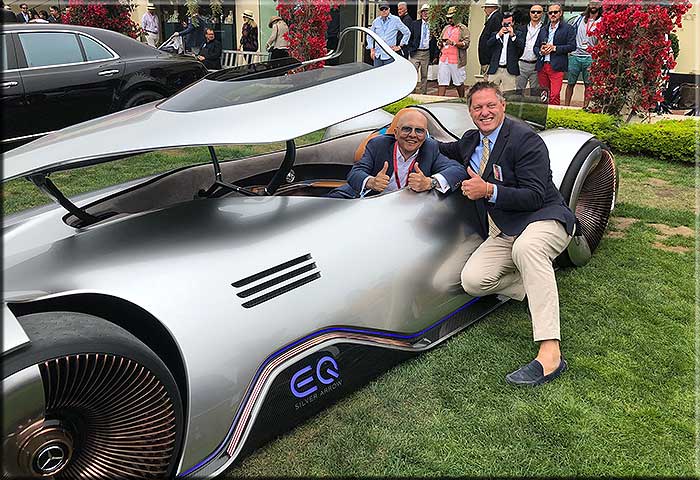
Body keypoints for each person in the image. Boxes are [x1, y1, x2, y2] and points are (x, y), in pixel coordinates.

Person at [438, 81, 575, 386]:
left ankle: (550, 354)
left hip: (544, 219)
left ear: (503, 106)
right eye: (477, 107)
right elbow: (437, 146)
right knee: (473, 280)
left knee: (526, 250)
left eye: (490, 105)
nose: (484, 112)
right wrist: (395, 134)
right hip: (507, 231)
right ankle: (535, 288)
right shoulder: (470, 141)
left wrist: (489, 190)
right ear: (470, 112)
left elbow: (536, 195)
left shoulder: (526, 141)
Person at [328, 109, 466, 199]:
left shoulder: (430, 148)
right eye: (407, 129)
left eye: (419, 131)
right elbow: (355, 172)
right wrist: (372, 182)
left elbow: (458, 170)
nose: (412, 135)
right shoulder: (378, 145)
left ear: (425, 135)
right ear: (396, 132)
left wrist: (430, 182)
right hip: (369, 204)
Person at [534, 3, 576, 105]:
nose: (553, 14)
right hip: (543, 65)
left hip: (557, 66)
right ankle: (543, 118)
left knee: (554, 95)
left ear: (560, 13)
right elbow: (535, 47)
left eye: (555, 12)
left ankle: (553, 118)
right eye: (550, 13)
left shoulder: (568, 28)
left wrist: (554, 48)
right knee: (544, 95)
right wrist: (541, 51)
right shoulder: (543, 29)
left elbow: (572, 46)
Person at [564, 1, 602, 108]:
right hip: (575, 55)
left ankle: (585, 108)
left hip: (590, 57)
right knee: (570, 83)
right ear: (588, 5)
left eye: (596, 4)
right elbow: (570, 32)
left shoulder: (601, 21)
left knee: (588, 85)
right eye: (592, 3)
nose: (593, 6)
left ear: (600, 6)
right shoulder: (579, 18)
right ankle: (566, 107)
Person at [485, 11, 524, 92]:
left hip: (509, 70)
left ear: (513, 23)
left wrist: (513, 35)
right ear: (502, 22)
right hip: (495, 69)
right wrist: (498, 35)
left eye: (509, 23)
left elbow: (521, 46)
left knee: (509, 94)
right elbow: (488, 44)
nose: (506, 25)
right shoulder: (495, 34)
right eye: (505, 23)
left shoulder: (518, 34)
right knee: (490, 92)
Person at [437, 6, 470, 98]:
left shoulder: (463, 29)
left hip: (456, 60)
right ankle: (438, 102)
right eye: (448, 18)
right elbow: (440, 40)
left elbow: (466, 44)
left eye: (451, 17)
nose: (449, 20)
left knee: (458, 81)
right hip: (444, 58)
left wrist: (454, 43)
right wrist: (440, 43)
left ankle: (461, 99)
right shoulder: (446, 28)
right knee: (442, 81)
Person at [367, 1, 410, 67]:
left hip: (389, 55)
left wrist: (400, 46)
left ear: (389, 9)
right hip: (378, 55)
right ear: (379, 11)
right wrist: (372, 50)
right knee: (378, 76)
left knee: (389, 76)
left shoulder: (396, 20)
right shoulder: (376, 21)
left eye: (386, 9)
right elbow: (369, 35)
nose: (384, 11)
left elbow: (407, 32)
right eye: (382, 9)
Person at [408, 4, 437, 95]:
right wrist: (411, 48)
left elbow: (436, 40)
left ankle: (423, 94)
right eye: (423, 11)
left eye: (427, 11)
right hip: (416, 52)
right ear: (421, 13)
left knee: (424, 75)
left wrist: (435, 54)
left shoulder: (433, 25)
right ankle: (411, 93)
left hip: (426, 53)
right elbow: (409, 37)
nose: (425, 13)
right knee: (413, 73)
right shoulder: (414, 24)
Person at [477, 0, 503, 79]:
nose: (484, 10)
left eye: (486, 7)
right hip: (487, 59)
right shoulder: (493, 18)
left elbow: (496, 39)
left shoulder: (496, 18)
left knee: (490, 84)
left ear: (492, 7)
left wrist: (490, 58)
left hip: (490, 59)